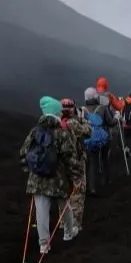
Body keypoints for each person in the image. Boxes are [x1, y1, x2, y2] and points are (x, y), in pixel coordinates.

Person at [19, 96, 83, 254]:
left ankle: (44, 244)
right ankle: (68, 233)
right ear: (56, 113)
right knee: (64, 206)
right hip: (58, 179)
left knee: (41, 211)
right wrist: (77, 177)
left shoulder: (35, 131)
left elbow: (23, 153)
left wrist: (30, 171)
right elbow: (71, 157)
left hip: (37, 179)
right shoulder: (62, 132)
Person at [60, 98, 90, 229]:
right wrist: (83, 118)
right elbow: (88, 131)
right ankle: (75, 224)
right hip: (76, 162)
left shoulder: (57, 122)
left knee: (64, 192)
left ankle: (63, 223)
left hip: (61, 163)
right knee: (78, 192)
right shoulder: (73, 123)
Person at [83, 87, 119, 194]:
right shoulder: (102, 108)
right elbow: (111, 122)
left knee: (92, 162)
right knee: (104, 159)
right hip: (104, 138)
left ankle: (92, 188)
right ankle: (106, 180)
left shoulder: (83, 110)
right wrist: (117, 116)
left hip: (90, 139)